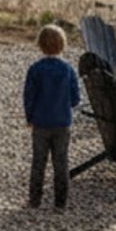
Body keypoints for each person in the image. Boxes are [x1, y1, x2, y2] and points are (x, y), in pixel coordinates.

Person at [23, 24, 80, 209]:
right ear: (62, 45)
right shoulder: (68, 70)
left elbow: (29, 96)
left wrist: (29, 116)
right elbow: (75, 98)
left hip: (40, 122)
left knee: (38, 162)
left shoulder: (35, 69)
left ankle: (34, 200)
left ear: (40, 45)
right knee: (61, 163)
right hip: (62, 122)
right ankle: (60, 203)